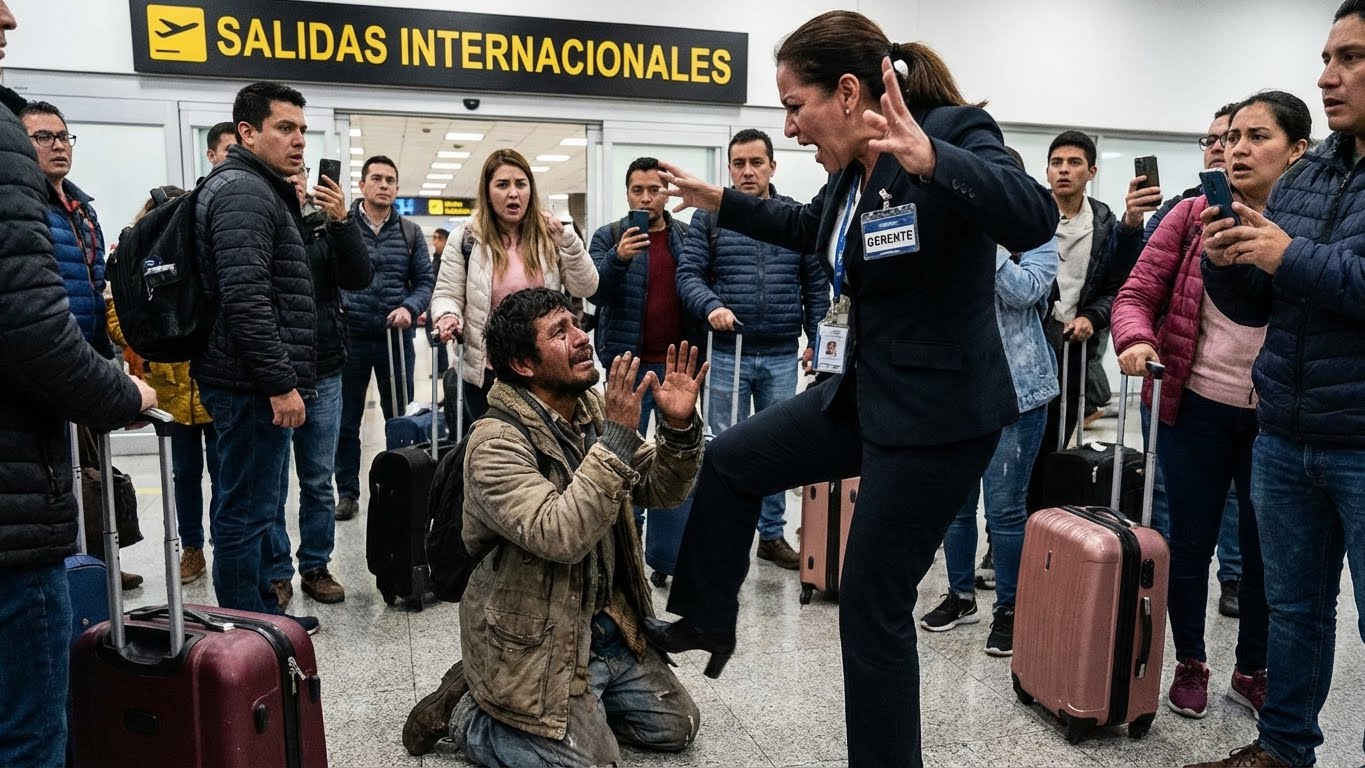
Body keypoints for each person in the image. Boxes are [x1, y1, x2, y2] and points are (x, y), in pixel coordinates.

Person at [642, 11, 1057, 767]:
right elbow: (809, 229)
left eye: (793, 106)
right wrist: (718, 200)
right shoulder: (845, 176)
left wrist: (933, 159)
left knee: (870, 604)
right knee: (732, 458)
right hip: (865, 393)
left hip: (938, 418)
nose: (791, 128)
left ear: (843, 90)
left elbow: (1032, 214)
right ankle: (703, 618)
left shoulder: (952, 129)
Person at [403, 288, 705, 765]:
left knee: (677, 726)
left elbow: (660, 488)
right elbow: (559, 534)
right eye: (560, 332)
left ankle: (573, 701)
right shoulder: (495, 443)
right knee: (593, 763)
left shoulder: (590, 410)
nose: (582, 338)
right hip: (538, 639)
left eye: (577, 324)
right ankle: (469, 712)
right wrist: (620, 440)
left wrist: (679, 430)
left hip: (603, 628)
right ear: (524, 364)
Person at [1187, 4, 1365, 765]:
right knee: (1292, 610)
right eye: (1326, 57)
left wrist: (1284, 256)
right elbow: (1265, 304)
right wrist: (1226, 262)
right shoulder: (1310, 172)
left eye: (1352, 58)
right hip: (1286, 434)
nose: (1327, 77)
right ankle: (1282, 749)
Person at [1117, 91, 1310, 724]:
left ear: (1296, 152)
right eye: (1229, 140)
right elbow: (1137, 292)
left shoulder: (1305, 224)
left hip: (1276, 417)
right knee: (1191, 542)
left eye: (1255, 138)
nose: (1235, 151)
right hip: (1193, 405)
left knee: (1264, 554)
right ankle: (1191, 663)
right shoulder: (1190, 214)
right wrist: (1137, 338)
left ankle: (1252, 669)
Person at [0, 2, 158, 761]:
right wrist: (115, 390)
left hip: (70, 386)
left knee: (92, 495)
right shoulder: (23, 191)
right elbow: (31, 321)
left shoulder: (82, 211)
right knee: (29, 722)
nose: (9, 16)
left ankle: (96, 571)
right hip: (39, 404)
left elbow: (86, 302)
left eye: (64, 136)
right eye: (43, 137)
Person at [192, 80, 320, 634]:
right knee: (245, 511)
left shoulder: (260, 188)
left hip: (247, 381)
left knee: (250, 505)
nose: (298, 142)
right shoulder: (245, 192)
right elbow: (246, 299)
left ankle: (255, 614)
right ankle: (246, 627)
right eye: (284, 128)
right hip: (249, 386)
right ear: (247, 132)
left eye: (302, 130)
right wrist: (280, 383)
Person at [675, 127, 830, 571]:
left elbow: (815, 287)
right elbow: (689, 276)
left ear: (771, 167)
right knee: (721, 446)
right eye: (738, 164)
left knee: (779, 449)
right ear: (729, 168)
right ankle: (725, 534)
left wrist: (817, 341)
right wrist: (712, 307)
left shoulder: (794, 217)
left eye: (755, 163)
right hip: (727, 353)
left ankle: (772, 534)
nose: (747, 172)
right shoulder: (709, 218)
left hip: (781, 353)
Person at [923, 152, 1059, 656]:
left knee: (1004, 510)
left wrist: (985, 241)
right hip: (957, 391)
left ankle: (1009, 606)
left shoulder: (1037, 236)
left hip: (1019, 392)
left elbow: (1024, 293)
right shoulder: (947, 227)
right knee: (955, 507)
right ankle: (960, 595)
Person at [1139, 103, 1246, 618]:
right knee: (1174, 505)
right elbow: (1140, 283)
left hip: (1263, 403)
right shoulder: (1182, 212)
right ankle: (1174, 615)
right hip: (1181, 383)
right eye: (1212, 139)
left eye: (1235, 137)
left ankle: (1235, 580)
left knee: (1243, 512)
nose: (1222, 148)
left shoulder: (1292, 217)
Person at [1024, 130, 1150, 515]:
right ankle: (1005, 538)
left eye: (1074, 162)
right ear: (1046, 171)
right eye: (1057, 162)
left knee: (1058, 444)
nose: (1064, 170)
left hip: (1074, 350)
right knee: (1022, 446)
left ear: (1091, 170)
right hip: (1027, 346)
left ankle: (1046, 523)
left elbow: (1118, 285)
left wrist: (1091, 319)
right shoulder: (1028, 214)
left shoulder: (1106, 222)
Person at [267, 168, 373, 607]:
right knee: (273, 484)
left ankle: (315, 565)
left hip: (325, 367)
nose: (295, 181)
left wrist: (343, 222)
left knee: (317, 478)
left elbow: (358, 277)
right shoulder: (261, 218)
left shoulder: (323, 224)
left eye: (301, 174)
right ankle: (275, 571)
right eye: (285, 174)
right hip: (273, 371)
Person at [106, 188, 221, 585]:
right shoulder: (135, 259)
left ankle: (226, 547)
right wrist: (155, 333)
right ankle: (192, 548)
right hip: (168, 391)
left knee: (225, 474)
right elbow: (118, 319)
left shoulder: (202, 253)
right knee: (185, 473)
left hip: (214, 384)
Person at [431, 148, 597, 423]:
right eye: (502, 185)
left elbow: (586, 287)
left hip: (544, 371)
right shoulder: (466, 238)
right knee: (496, 450)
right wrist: (448, 315)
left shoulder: (549, 235)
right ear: (487, 192)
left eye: (521, 184)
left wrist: (567, 241)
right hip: (487, 372)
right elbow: (447, 293)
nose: (513, 193)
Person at [588, 157, 698, 537]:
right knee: (622, 453)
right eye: (639, 190)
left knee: (673, 457)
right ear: (627, 194)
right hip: (626, 368)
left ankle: (665, 550)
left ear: (666, 194)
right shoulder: (608, 235)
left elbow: (697, 288)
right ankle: (626, 536)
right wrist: (618, 258)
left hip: (676, 369)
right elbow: (595, 293)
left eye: (655, 190)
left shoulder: (687, 236)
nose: (647, 198)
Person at [335, 154, 434, 521]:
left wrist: (410, 307)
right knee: (346, 421)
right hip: (350, 340)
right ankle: (347, 492)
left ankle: (400, 485)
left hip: (395, 341)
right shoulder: (342, 226)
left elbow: (425, 281)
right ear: (362, 186)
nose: (384, 185)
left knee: (398, 417)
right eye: (376, 179)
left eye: (390, 180)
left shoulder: (410, 233)